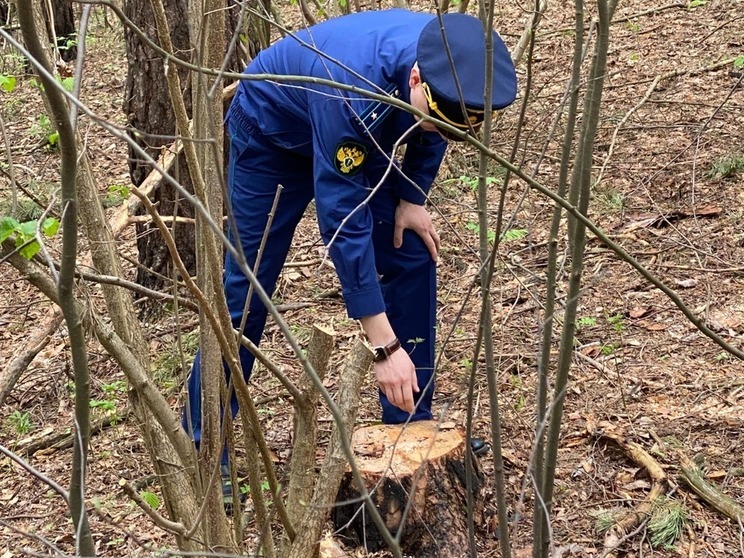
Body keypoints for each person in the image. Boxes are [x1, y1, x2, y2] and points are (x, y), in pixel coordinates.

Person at [183, 9, 517, 494]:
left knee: (411, 248)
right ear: (416, 79)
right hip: (272, 135)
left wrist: (412, 196)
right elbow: (343, 221)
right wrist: (383, 346)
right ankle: (204, 444)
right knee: (248, 285)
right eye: (436, 121)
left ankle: (410, 421)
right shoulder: (351, 87)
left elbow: (436, 130)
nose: (442, 134)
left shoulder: (447, 62)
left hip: (361, 134)